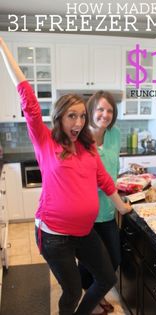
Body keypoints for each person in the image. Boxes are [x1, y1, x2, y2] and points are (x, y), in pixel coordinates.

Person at [0, 37, 132, 315]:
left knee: (107, 277)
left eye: (82, 116)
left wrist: (122, 206)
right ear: (59, 117)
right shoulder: (45, 141)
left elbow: (104, 181)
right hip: (54, 235)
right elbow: (27, 95)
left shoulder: (88, 146)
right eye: (72, 116)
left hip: (84, 231)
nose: (79, 122)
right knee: (72, 291)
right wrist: (3, 45)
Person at [79, 91, 121, 314]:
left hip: (108, 210)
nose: (105, 114)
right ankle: (94, 300)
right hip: (86, 213)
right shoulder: (80, 137)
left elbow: (112, 169)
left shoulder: (115, 134)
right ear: (90, 110)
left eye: (110, 111)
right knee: (87, 263)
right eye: (100, 109)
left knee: (113, 258)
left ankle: (97, 294)